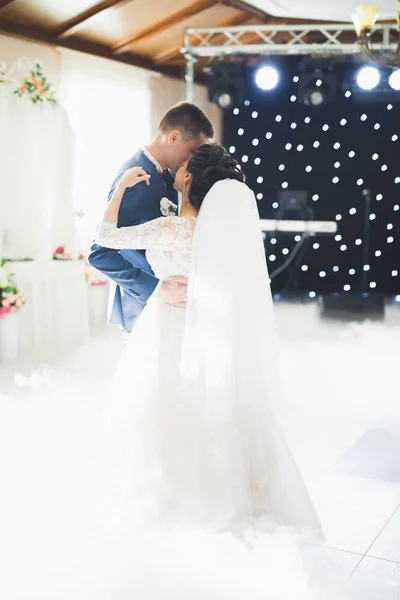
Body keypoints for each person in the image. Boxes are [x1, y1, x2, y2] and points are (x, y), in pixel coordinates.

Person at [94, 143, 323, 541]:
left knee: (160, 409)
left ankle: (169, 495)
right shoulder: (220, 238)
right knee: (206, 406)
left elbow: (105, 237)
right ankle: (225, 493)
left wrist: (120, 190)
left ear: (188, 179)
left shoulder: (171, 229)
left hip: (164, 328)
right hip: (207, 333)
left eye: (182, 167)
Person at [88, 101, 214, 334]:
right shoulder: (134, 177)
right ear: (174, 137)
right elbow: (100, 253)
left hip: (171, 309)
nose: (193, 161)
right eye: (194, 152)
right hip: (144, 304)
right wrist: (156, 289)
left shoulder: (169, 178)